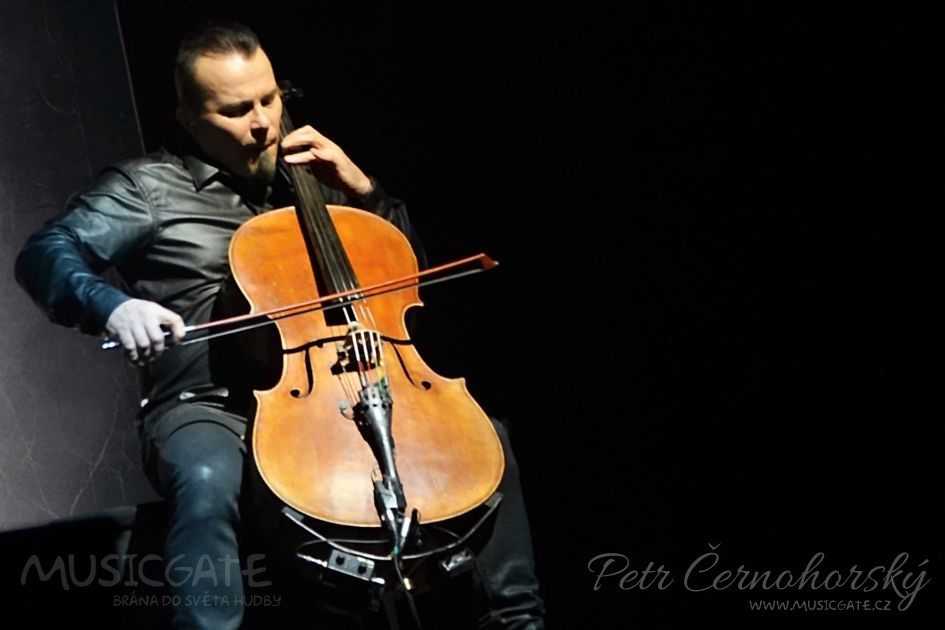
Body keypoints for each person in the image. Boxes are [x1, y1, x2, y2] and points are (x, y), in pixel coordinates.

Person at [14, 21, 543, 629]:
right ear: (189, 118)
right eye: (236, 111)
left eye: (269, 100)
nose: (263, 123)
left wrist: (367, 194)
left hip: (347, 386)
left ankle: (518, 619)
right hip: (213, 405)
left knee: (485, 439)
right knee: (208, 477)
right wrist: (112, 305)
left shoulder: (315, 177)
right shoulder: (147, 189)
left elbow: (403, 279)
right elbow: (46, 251)